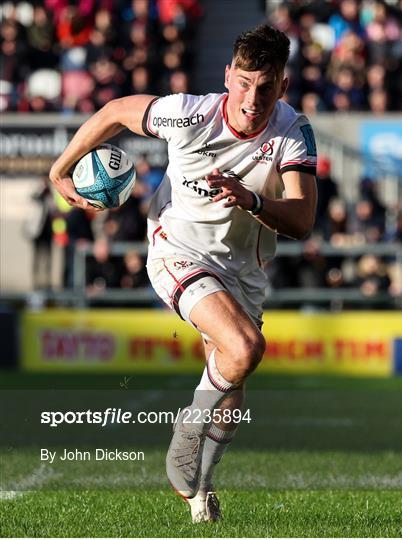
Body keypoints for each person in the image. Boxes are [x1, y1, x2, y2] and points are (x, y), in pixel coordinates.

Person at [49, 24, 317, 523]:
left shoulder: (292, 131)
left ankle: (200, 490)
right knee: (244, 349)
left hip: (244, 270)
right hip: (178, 251)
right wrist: (59, 168)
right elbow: (113, 113)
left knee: (233, 378)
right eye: (243, 82)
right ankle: (187, 429)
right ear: (227, 76)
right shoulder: (189, 114)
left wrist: (252, 199)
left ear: (282, 86)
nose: (251, 98)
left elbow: (301, 219)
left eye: (265, 86)